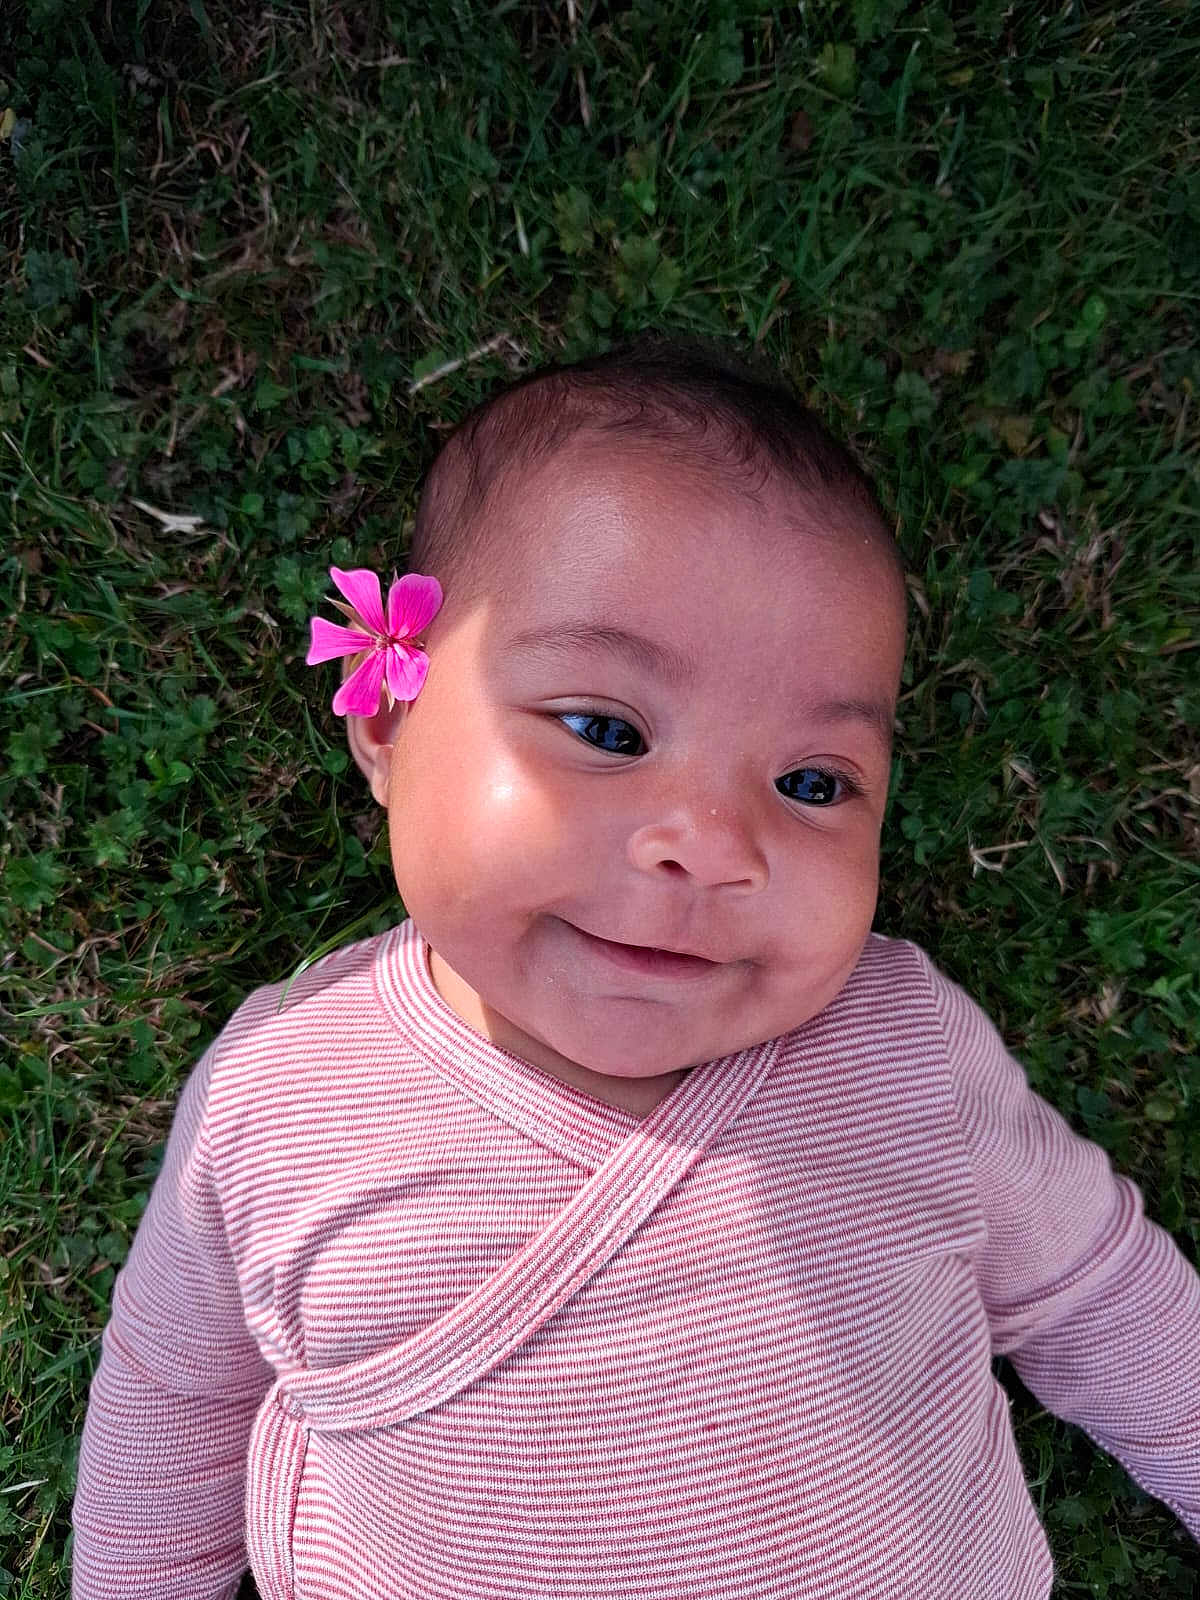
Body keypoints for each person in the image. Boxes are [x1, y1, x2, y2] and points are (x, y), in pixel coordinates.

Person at [72, 335, 1199, 1599]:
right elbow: (171, 1404)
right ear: (387, 717)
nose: (713, 846)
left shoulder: (902, 1047)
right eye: (607, 730)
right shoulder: (280, 1095)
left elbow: (1099, 1294)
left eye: (812, 783)